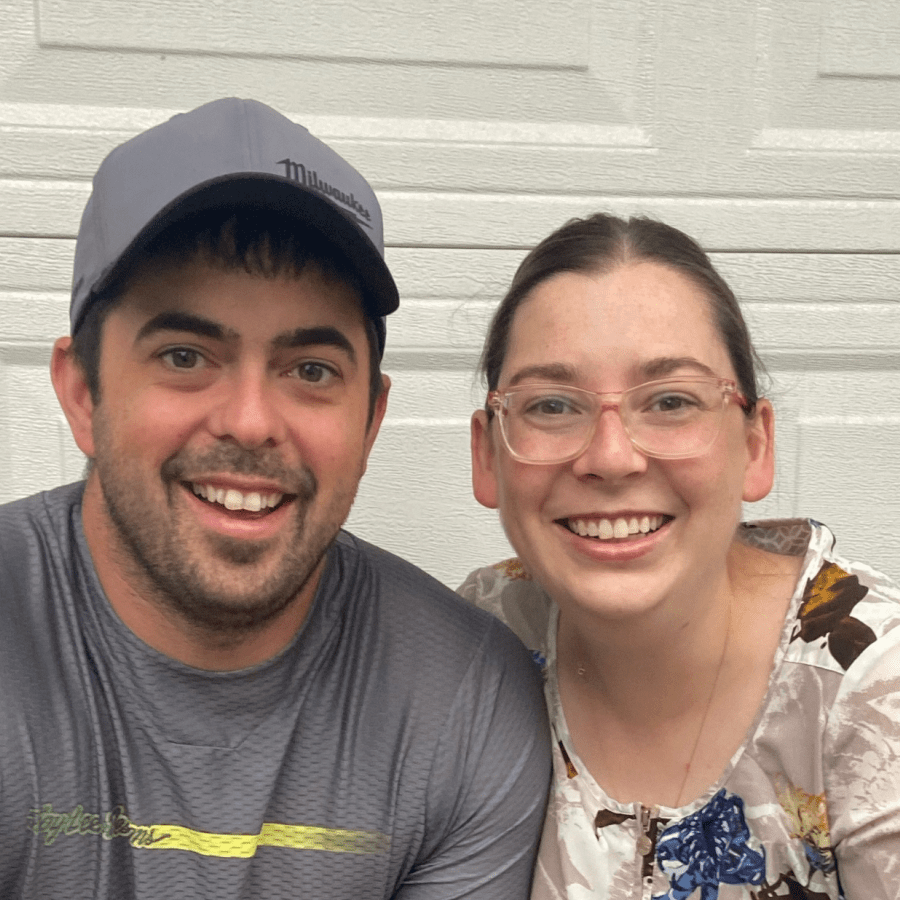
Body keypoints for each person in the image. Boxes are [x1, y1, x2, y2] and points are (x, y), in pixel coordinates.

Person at [0, 97, 550, 899]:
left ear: (371, 417)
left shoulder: (463, 701)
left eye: (311, 370)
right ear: (83, 392)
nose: (251, 422)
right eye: (185, 355)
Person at [459, 212, 900, 898]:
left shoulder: (872, 689)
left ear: (756, 445)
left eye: (670, 400)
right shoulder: (481, 642)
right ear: (487, 455)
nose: (610, 457)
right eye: (551, 405)